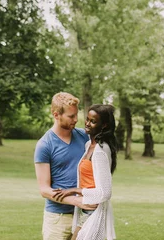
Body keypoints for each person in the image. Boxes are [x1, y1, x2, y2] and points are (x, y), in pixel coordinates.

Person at [35, 92, 94, 240]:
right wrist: (75, 200)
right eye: (71, 116)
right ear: (56, 115)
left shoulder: (84, 137)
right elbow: (44, 190)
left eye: (76, 115)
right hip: (57, 218)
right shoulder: (45, 145)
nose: (76, 120)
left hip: (84, 216)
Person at [53, 104, 118, 240]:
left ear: (104, 125)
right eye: (87, 119)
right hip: (85, 210)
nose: (87, 124)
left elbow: (105, 193)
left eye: (93, 121)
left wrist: (72, 191)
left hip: (93, 211)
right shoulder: (89, 145)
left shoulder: (100, 150)